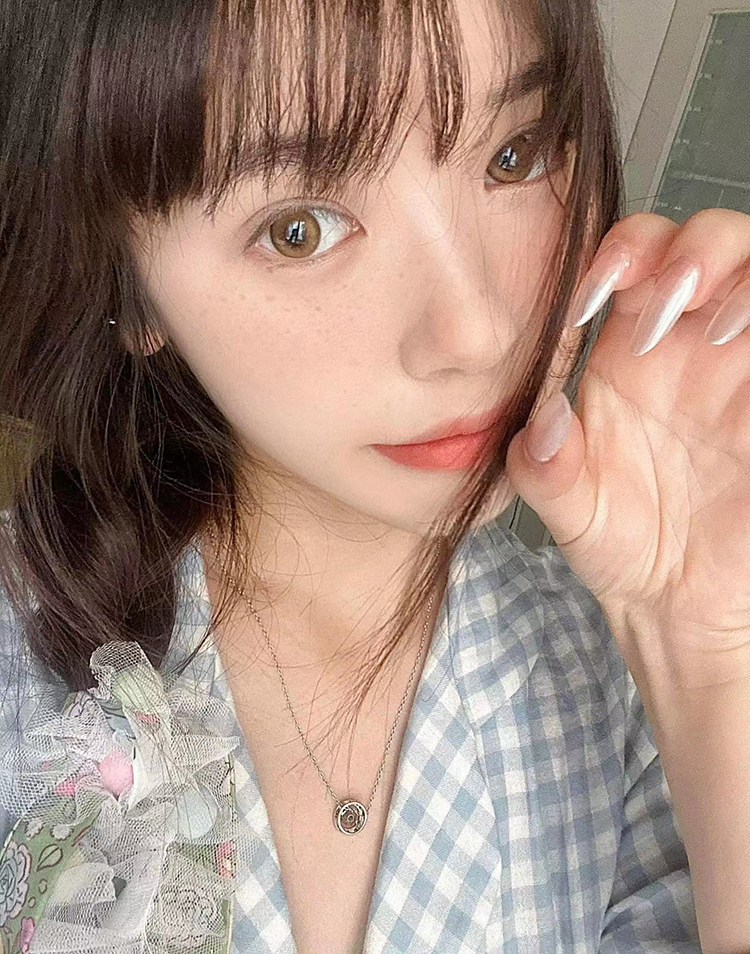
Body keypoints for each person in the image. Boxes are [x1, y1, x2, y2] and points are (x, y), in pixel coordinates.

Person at [2, 0, 750, 951]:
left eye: (514, 156)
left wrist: (712, 650)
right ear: (131, 286)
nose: (479, 333)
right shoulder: (27, 662)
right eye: (299, 230)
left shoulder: (631, 692)